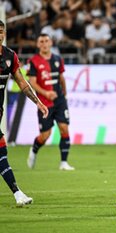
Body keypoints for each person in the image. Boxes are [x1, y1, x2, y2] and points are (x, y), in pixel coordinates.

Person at [0, 20, 48, 206]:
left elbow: (22, 83)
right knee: (2, 152)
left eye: (2, 31)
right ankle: (18, 193)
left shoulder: (9, 56)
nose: (0, 35)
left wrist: (38, 102)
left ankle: (18, 193)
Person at [27, 33, 75, 171]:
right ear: (38, 44)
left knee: (64, 128)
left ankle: (64, 163)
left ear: (51, 43)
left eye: (46, 41)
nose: (44, 44)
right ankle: (34, 150)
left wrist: (64, 93)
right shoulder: (34, 61)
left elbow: (61, 77)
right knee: (45, 135)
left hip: (59, 100)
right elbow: (33, 83)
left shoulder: (57, 59)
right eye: (41, 41)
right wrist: (46, 93)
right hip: (44, 103)